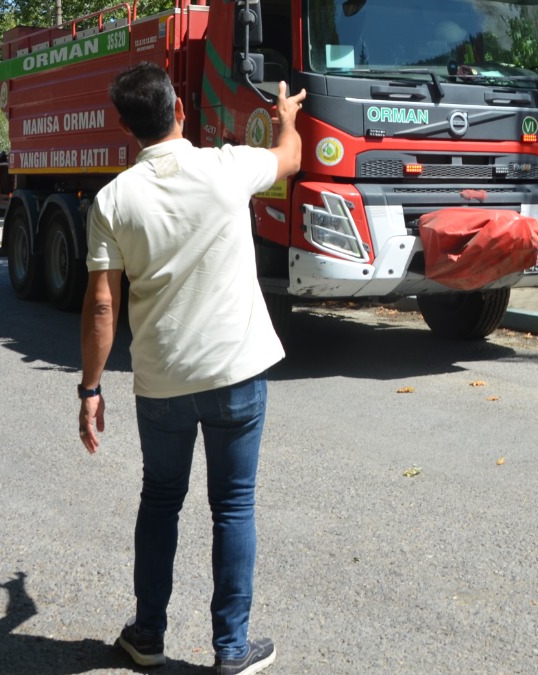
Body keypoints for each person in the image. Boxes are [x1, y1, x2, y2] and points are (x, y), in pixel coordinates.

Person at [79, 63, 304, 674]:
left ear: (125, 126)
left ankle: (147, 636)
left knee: (160, 501)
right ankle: (231, 649)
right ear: (180, 108)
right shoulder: (226, 167)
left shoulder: (112, 199)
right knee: (233, 506)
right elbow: (289, 158)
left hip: (162, 380)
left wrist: (90, 388)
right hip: (235, 371)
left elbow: (103, 304)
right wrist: (286, 119)